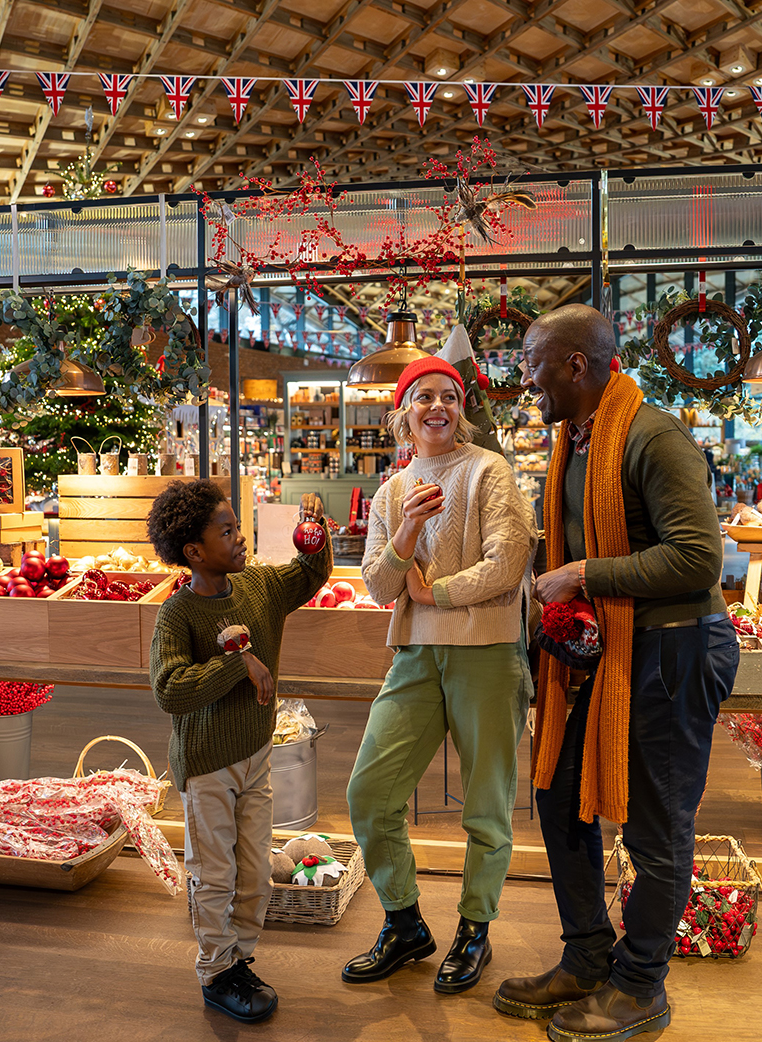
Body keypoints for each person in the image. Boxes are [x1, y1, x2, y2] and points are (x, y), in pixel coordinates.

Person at [495, 304, 739, 1042]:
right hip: (607, 652)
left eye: (534, 362)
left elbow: (700, 558)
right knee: (560, 795)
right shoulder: (577, 439)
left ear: (576, 364)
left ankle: (641, 985)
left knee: (656, 826)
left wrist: (581, 575)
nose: (526, 379)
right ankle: (588, 956)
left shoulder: (652, 437)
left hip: (672, 651)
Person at [344, 356, 537, 995]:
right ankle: (404, 922)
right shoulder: (392, 492)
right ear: (403, 414)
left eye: (448, 397)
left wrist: (438, 595)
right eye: (423, 396)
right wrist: (406, 531)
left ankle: (475, 930)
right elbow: (375, 584)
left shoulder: (489, 471)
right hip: (415, 657)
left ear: (462, 410)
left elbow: (510, 559)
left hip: (486, 650)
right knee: (370, 793)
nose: (436, 407)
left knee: (486, 805)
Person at [148, 482, 330, 1024]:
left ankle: (239, 960)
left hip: (254, 755)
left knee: (254, 873)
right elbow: (169, 689)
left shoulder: (260, 586)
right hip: (206, 766)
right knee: (214, 872)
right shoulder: (177, 615)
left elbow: (309, 576)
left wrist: (315, 538)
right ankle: (214, 970)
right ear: (194, 553)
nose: (240, 537)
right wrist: (237, 665)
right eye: (226, 531)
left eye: (237, 526)